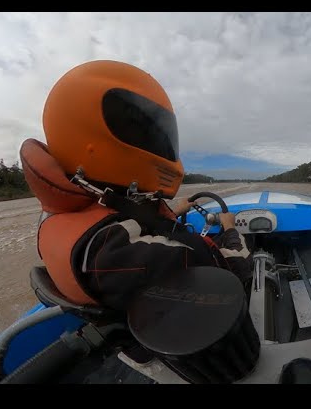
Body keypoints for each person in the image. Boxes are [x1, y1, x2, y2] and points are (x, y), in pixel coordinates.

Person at [20, 60, 252, 311]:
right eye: (149, 132)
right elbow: (235, 266)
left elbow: (119, 215)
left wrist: (176, 211)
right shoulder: (119, 253)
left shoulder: (57, 214)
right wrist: (230, 230)